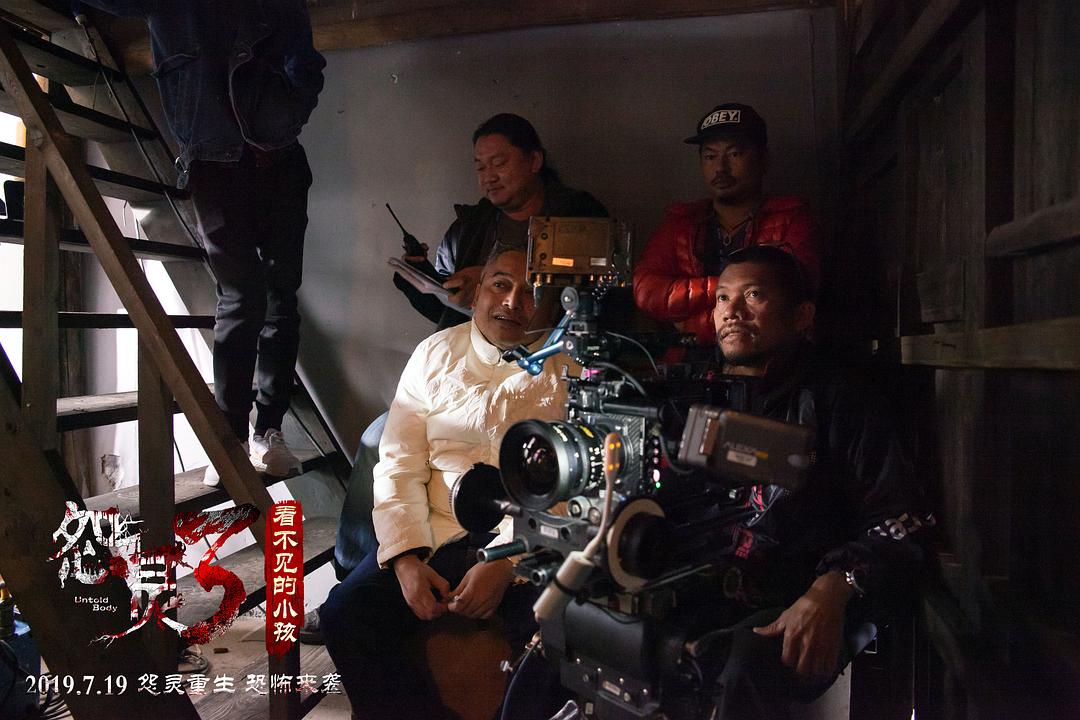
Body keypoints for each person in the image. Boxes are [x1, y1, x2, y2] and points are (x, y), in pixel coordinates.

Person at [320, 246, 573, 720]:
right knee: (344, 614)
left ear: (554, 306)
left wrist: (506, 561)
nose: (512, 301)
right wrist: (404, 560)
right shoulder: (434, 353)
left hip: (529, 543)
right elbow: (398, 464)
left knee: (564, 639)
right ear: (476, 294)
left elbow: (574, 485)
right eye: (500, 284)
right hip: (434, 534)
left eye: (532, 292)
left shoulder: (571, 369)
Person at [79, 0, 326, 481]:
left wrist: (289, 117)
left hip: (282, 161)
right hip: (214, 166)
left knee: (281, 296)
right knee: (241, 296)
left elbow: (307, 66)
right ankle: (231, 436)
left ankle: (268, 431)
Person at [695, 245, 933, 718]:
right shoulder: (701, 393)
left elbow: (906, 519)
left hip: (806, 590)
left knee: (743, 661)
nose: (732, 312)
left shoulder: (842, 397)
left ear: (802, 315)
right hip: (713, 582)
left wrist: (835, 586)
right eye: (722, 298)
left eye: (753, 295)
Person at [395, 113, 607, 328]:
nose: (489, 177)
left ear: (534, 161)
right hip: (474, 347)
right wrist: (418, 275)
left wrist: (490, 281)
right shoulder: (470, 226)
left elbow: (596, 296)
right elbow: (446, 311)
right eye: (481, 167)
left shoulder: (579, 216)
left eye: (499, 163)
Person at [633, 103, 822, 344]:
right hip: (688, 360)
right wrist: (723, 288)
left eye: (734, 154)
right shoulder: (681, 221)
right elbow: (646, 291)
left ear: (763, 160)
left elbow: (786, 304)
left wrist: (690, 325)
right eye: (710, 156)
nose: (720, 168)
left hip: (767, 360)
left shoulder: (792, 218)